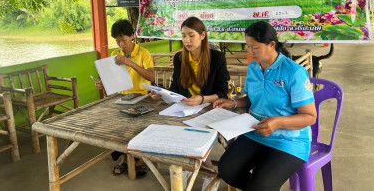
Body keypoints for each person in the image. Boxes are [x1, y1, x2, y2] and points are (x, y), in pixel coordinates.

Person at [214, 21, 317, 191]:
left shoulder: (294, 72)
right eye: (248, 47)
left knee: (260, 186)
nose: (250, 52)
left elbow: (310, 116)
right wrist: (233, 103)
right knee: (227, 170)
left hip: (289, 140)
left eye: (255, 47)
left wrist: (277, 122)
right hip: (256, 132)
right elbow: (251, 99)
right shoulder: (254, 67)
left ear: (272, 45)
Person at [150, 16, 230, 191]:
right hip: (186, 109)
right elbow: (175, 88)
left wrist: (202, 99)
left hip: (210, 108)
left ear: (202, 36)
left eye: (191, 35)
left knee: (196, 134)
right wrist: (162, 94)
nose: (187, 40)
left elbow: (223, 93)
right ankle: (192, 168)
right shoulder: (180, 58)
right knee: (172, 131)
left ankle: (205, 172)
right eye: (184, 36)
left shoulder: (217, 58)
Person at [95, 19, 155, 178]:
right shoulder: (115, 55)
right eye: (118, 41)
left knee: (138, 129)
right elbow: (111, 81)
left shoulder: (143, 54)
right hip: (123, 98)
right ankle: (125, 159)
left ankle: (140, 160)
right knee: (118, 128)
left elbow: (151, 76)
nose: (121, 44)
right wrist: (103, 84)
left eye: (124, 40)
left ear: (132, 36)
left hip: (143, 97)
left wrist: (130, 63)